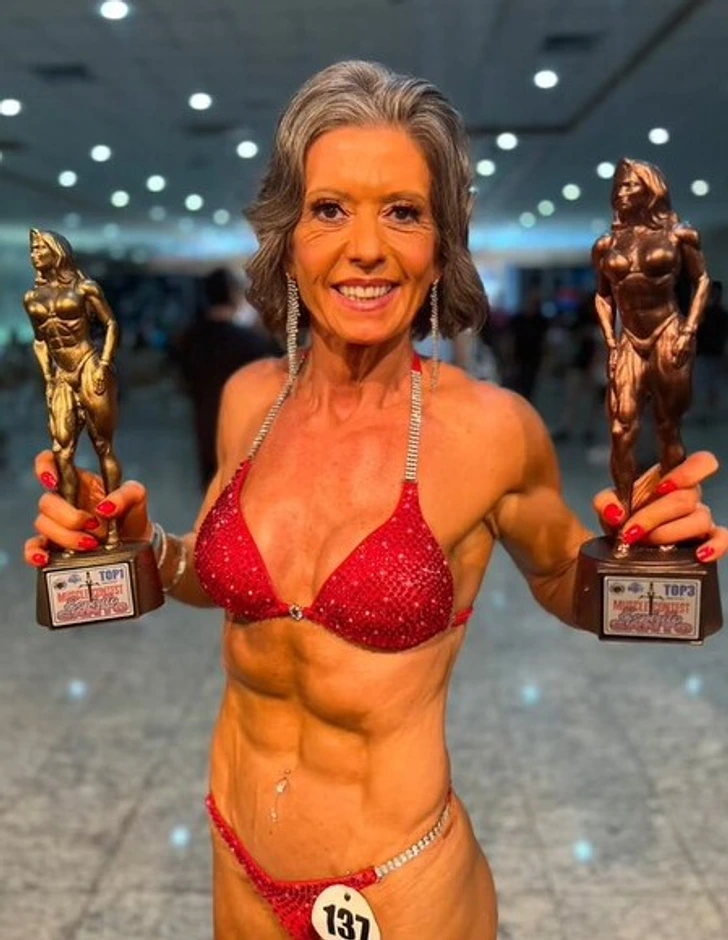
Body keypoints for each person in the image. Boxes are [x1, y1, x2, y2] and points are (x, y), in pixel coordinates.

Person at [24, 62, 727, 940]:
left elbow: (561, 577)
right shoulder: (250, 400)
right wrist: (145, 545)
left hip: (399, 887)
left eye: (402, 211)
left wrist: (648, 553)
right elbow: (219, 576)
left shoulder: (490, 429)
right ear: (288, 237)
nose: (365, 248)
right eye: (329, 210)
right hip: (237, 863)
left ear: (441, 244)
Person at [592, 158, 711, 526]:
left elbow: (702, 281)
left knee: (667, 426)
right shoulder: (607, 244)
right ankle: (624, 517)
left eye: (630, 185)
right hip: (629, 338)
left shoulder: (679, 235)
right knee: (619, 428)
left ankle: (672, 517)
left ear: (651, 189)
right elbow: (603, 296)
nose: (622, 192)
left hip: (668, 331)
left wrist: (689, 331)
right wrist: (610, 341)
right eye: (619, 186)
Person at [23, 228, 121, 548]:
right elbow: (40, 341)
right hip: (61, 375)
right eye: (32, 250)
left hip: (89, 365)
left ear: (57, 251)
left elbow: (110, 324)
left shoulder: (84, 287)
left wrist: (104, 364)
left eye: (40, 248)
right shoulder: (32, 298)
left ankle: (115, 528)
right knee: (61, 452)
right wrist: (48, 379)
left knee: (103, 445)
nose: (34, 255)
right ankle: (73, 529)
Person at [176, 267, 281, 488]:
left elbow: (182, 378)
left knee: (211, 487)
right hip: (244, 427)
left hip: (203, 424)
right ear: (232, 295)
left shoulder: (190, 339)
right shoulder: (250, 342)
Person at [694, 279, 727, 424]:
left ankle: (707, 413)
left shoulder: (711, 315)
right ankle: (706, 413)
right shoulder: (705, 314)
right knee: (707, 385)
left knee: (709, 385)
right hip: (707, 354)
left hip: (712, 354)